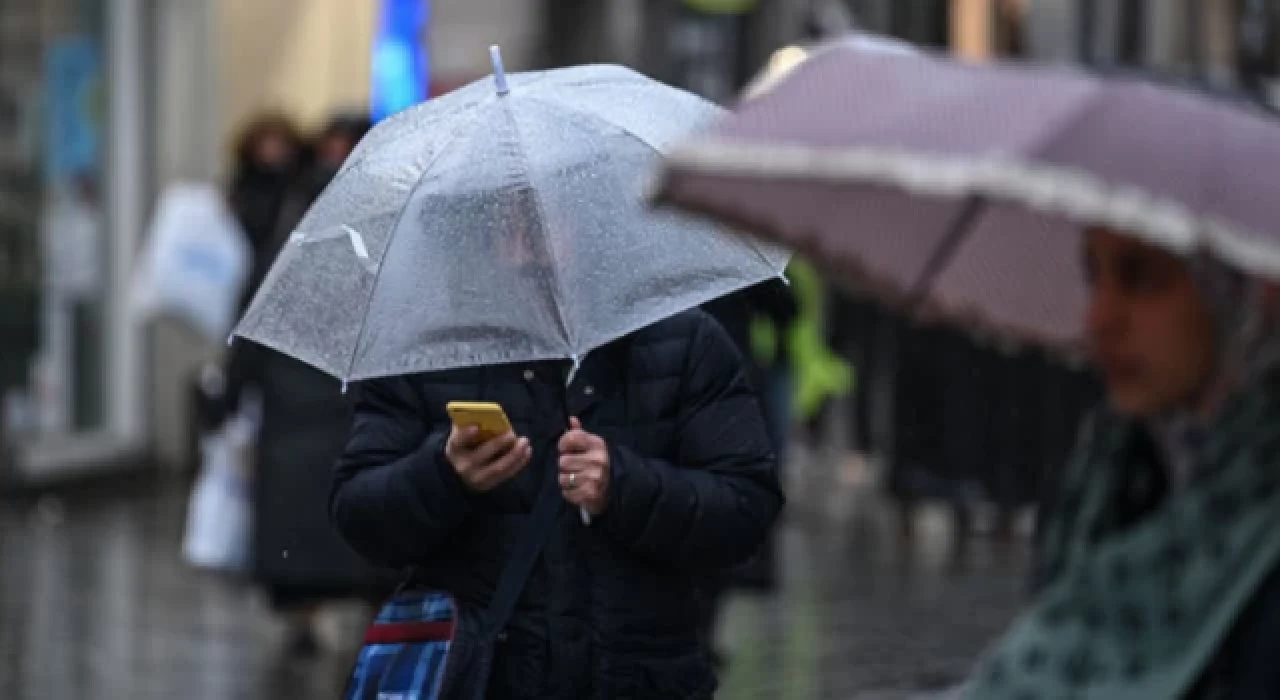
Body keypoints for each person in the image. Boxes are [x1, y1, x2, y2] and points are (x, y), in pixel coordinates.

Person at [330, 305, 784, 697]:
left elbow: (746, 509)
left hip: (640, 680)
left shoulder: (685, 341)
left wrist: (624, 487)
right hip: (481, 678)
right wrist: (443, 475)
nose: (527, 236)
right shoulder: (427, 347)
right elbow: (360, 515)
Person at [965, 226, 1280, 698]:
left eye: (1144, 277)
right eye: (1094, 276)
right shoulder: (1105, 481)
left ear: (1250, 291)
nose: (1100, 318)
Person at [221, 112, 387, 657]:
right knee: (350, 528)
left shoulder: (284, 249)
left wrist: (229, 395)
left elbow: (249, 332)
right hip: (345, 407)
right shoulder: (380, 255)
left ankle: (303, 619)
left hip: (291, 414)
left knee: (298, 526)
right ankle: (363, 615)